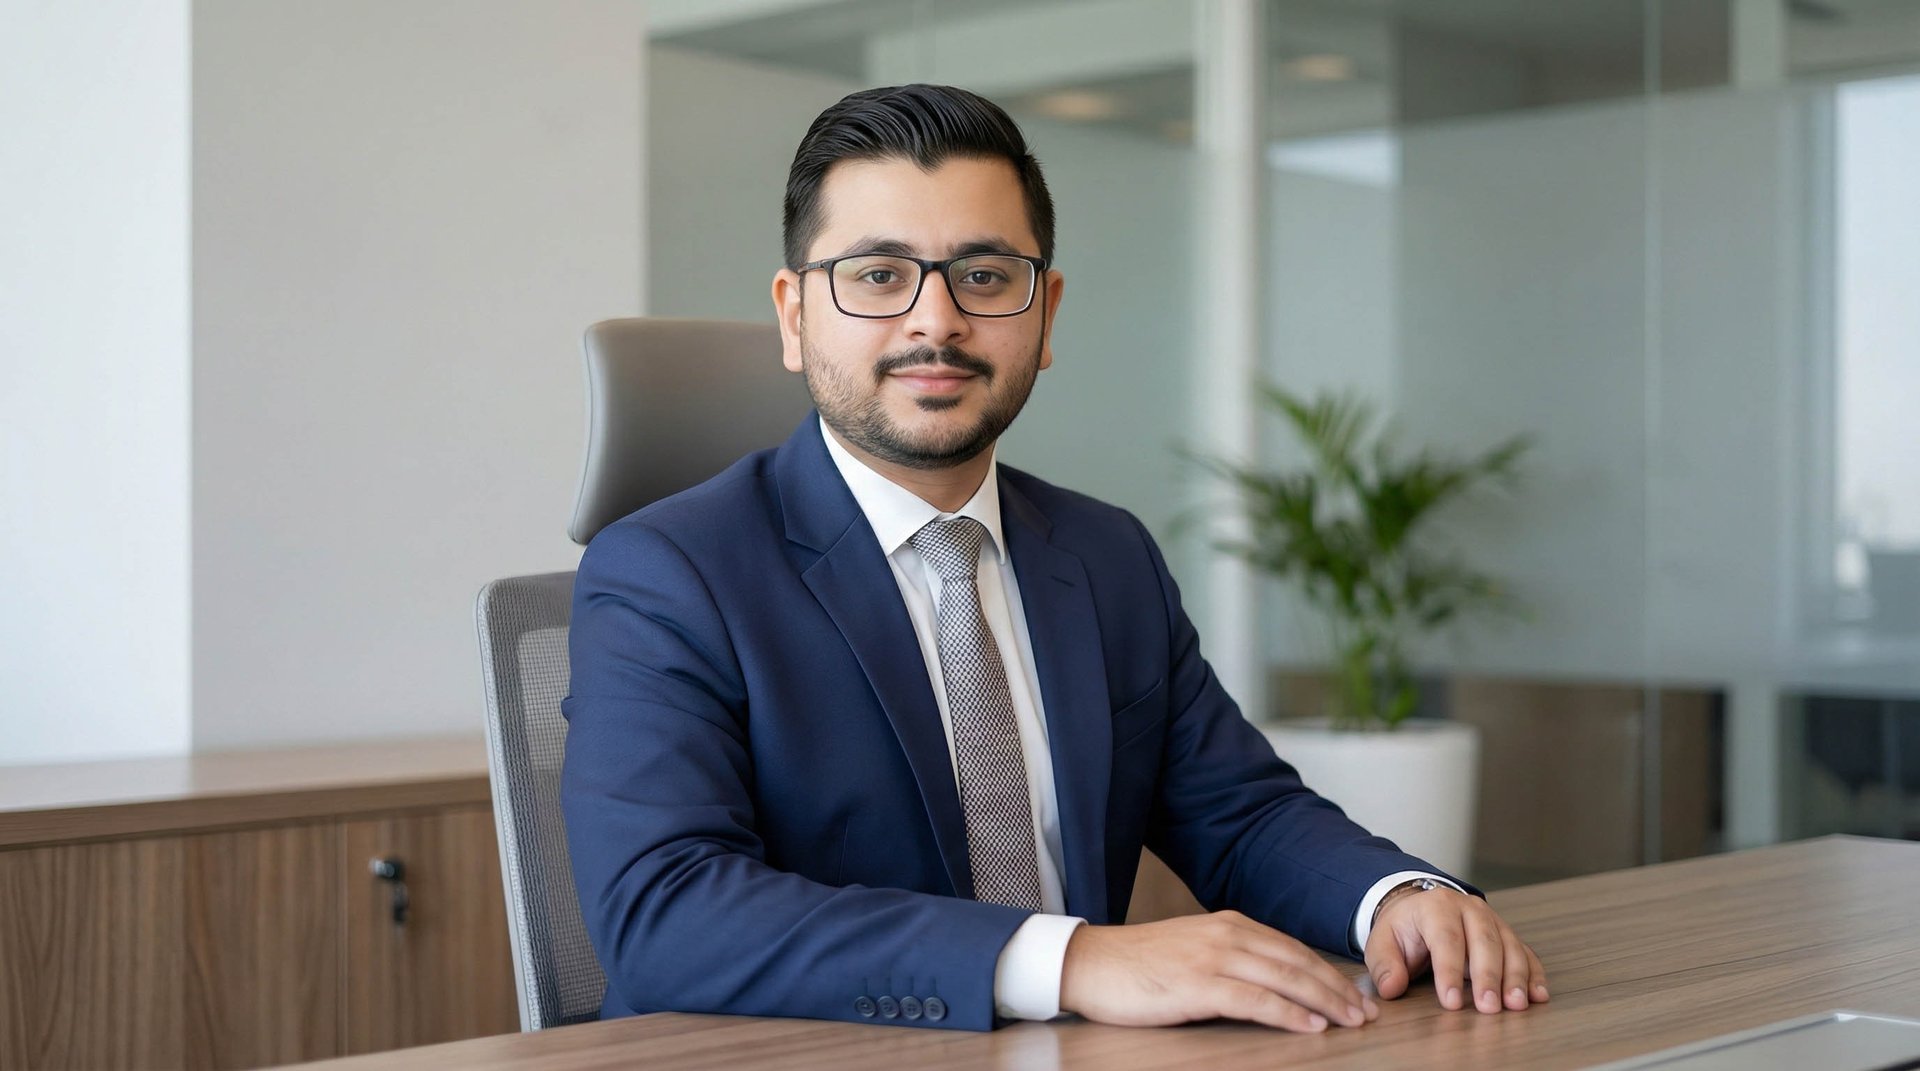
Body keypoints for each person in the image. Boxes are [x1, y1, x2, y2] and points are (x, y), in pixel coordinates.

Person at [562, 83, 1547, 1033]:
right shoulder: (666, 574)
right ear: (793, 315)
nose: (936, 321)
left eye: (985, 276)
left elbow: (1238, 813)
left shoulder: (1102, 554)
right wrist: (1072, 958)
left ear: (1046, 314)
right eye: (876, 276)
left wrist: (1395, 896)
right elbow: (667, 911)